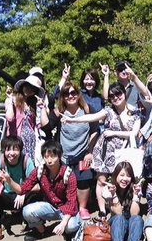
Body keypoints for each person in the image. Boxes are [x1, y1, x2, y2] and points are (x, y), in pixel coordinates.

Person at [41, 82, 105, 219]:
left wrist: (90, 151)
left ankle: (82, 208)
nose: (70, 96)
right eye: (66, 93)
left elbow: (95, 130)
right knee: (62, 182)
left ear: (78, 94)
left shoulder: (87, 109)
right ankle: (66, 206)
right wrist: (42, 108)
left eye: (73, 93)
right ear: (62, 97)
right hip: (64, 155)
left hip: (83, 154)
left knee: (84, 180)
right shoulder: (59, 111)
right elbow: (46, 127)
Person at [12, 140, 81, 241]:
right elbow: (22, 189)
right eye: (46, 157)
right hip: (51, 206)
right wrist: (9, 180)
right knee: (27, 211)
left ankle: (70, 231)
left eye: (52, 156)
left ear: (60, 156)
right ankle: (41, 231)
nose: (49, 160)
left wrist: (63, 223)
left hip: (67, 209)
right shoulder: (40, 171)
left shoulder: (68, 174)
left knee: (70, 226)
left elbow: (71, 203)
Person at [92, 82, 142, 216]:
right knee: (101, 180)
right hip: (105, 148)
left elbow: (134, 133)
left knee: (122, 178)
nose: (115, 97)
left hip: (124, 150)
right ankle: (102, 210)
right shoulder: (108, 111)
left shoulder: (135, 112)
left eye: (118, 94)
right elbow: (92, 117)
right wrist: (73, 120)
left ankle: (120, 206)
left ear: (124, 94)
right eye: (112, 96)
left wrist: (114, 133)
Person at [0, 135, 40, 240]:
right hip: (5, 195)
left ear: (20, 150)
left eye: (15, 149)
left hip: (21, 196)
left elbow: (38, 186)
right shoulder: (0, 160)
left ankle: (30, 222)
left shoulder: (27, 161)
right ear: (4, 151)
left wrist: (23, 192)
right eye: (8, 150)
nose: (11, 153)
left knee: (36, 196)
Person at [102, 161, 143, 241]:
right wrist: (114, 194)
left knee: (138, 219)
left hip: (130, 222)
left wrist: (135, 195)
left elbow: (134, 213)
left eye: (128, 176)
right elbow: (118, 212)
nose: (125, 179)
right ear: (115, 175)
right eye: (122, 175)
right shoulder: (107, 189)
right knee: (119, 217)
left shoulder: (135, 188)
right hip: (116, 222)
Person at [5, 74, 48, 163]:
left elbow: (43, 124)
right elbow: (9, 118)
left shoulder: (33, 105)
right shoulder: (13, 100)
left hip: (31, 142)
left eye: (33, 89)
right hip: (16, 140)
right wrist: (10, 100)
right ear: (23, 86)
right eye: (28, 86)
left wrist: (42, 107)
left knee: (28, 167)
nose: (29, 90)